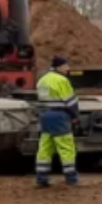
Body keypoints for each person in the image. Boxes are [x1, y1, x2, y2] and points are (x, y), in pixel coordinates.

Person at [35, 55, 79, 187]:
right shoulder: (61, 80)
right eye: (66, 65)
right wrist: (75, 116)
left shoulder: (42, 80)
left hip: (45, 115)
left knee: (45, 147)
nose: (68, 68)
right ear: (59, 67)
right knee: (66, 148)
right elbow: (70, 101)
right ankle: (71, 178)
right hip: (59, 116)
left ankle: (41, 178)